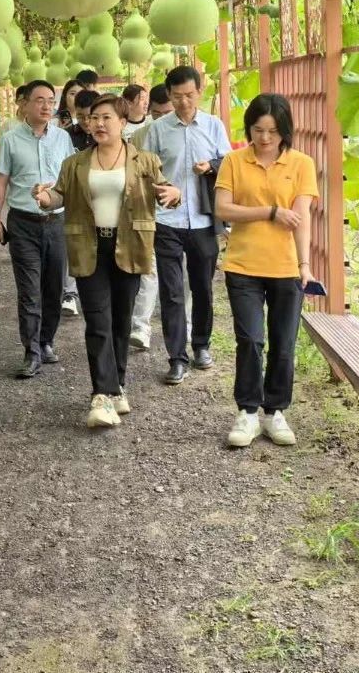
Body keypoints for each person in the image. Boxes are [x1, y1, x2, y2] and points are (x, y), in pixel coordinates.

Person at [34, 94, 180, 429]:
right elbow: (59, 194)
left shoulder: (145, 160)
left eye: (106, 118)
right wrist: (45, 199)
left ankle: (118, 387)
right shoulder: (75, 163)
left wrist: (174, 194)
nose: (98, 124)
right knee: (98, 320)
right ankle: (101, 394)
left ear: (123, 122)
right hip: (89, 245)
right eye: (94, 118)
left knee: (120, 321)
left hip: (128, 245)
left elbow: (168, 191)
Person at [215, 93, 319, 448]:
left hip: (286, 266)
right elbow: (223, 210)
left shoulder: (301, 163)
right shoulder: (233, 160)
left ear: (284, 131)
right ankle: (246, 412)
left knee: (284, 345)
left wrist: (305, 265)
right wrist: (270, 212)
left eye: (272, 131)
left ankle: (275, 412)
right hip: (243, 264)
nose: (264, 138)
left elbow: (302, 218)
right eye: (257, 130)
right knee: (250, 340)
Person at [139, 66, 232, 385]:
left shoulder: (214, 125)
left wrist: (212, 166)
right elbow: (145, 173)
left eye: (189, 95)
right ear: (169, 95)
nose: (183, 102)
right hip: (167, 220)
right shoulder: (158, 130)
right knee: (172, 292)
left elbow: (230, 165)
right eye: (177, 97)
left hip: (205, 220)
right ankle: (176, 357)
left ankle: (202, 345)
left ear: (200, 91)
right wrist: (162, 188)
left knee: (203, 287)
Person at [0, 79, 75, 379]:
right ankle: (32, 351)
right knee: (29, 290)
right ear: (24, 104)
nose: (45, 106)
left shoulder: (63, 139)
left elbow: (69, 180)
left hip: (56, 222)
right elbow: (1, 180)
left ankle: (47, 340)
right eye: (39, 100)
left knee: (53, 287)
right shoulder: (10, 139)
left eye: (50, 100)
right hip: (23, 223)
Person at [127, 82, 175, 350]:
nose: (162, 119)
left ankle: (186, 328)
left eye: (166, 112)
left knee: (181, 277)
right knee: (148, 269)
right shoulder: (140, 136)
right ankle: (141, 326)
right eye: (156, 114)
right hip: (148, 212)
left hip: (179, 216)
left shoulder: (192, 131)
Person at [68, 89, 99, 153]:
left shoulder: (108, 135)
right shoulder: (67, 135)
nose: (86, 121)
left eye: (90, 116)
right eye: (80, 116)